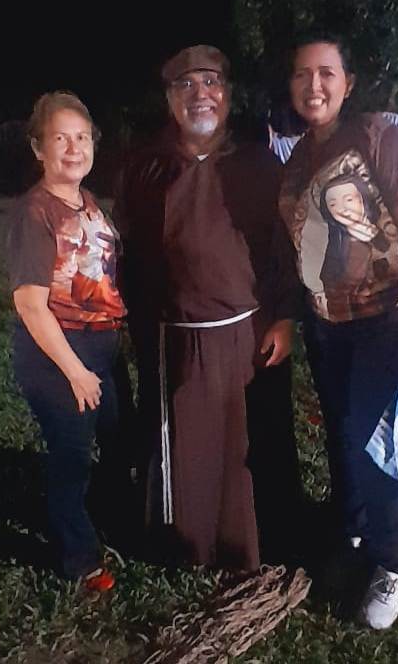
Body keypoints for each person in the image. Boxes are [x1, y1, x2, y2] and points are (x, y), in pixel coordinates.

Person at [113, 45, 302, 572]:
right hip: (175, 333)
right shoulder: (144, 166)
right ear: (169, 98)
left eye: (212, 82)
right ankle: (185, 546)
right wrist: (135, 321)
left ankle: (253, 545)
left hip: (248, 330)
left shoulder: (258, 163)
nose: (201, 94)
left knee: (249, 446)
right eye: (186, 84)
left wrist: (285, 315)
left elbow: (284, 247)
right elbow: (128, 251)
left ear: (228, 94)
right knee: (186, 445)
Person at [279, 34, 398, 628]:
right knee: (343, 438)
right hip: (326, 325)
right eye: (302, 74)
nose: (313, 85)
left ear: (347, 83)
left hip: (383, 321)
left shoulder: (376, 137)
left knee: (376, 445)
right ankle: (351, 533)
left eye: (326, 72)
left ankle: (390, 562)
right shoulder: (297, 157)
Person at [6, 91, 130, 590]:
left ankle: (111, 519)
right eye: (61, 138)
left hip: (102, 344)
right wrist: (76, 371)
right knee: (72, 457)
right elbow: (30, 304)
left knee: (120, 440)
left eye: (82, 137)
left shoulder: (86, 202)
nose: (74, 148)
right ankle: (78, 560)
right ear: (39, 148)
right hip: (57, 351)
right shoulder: (35, 213)